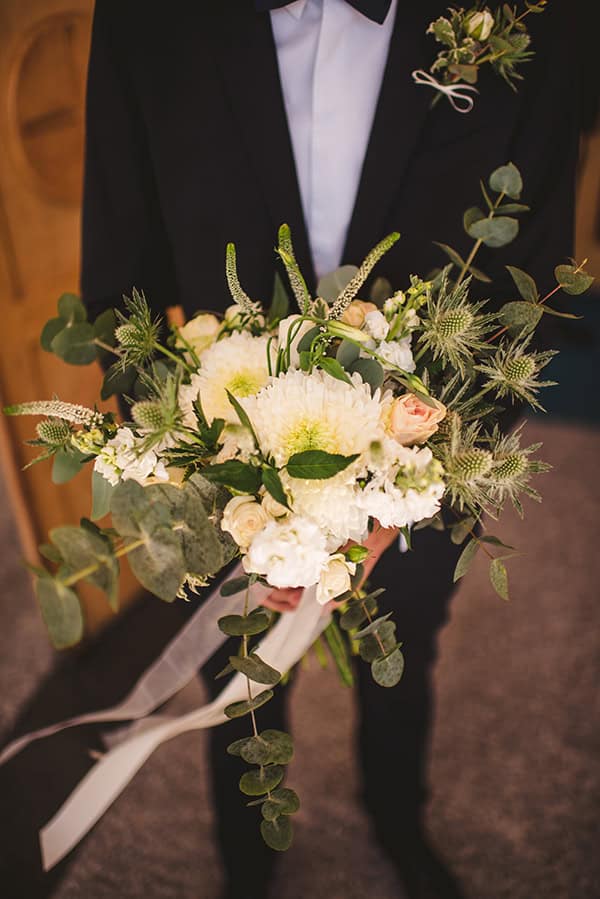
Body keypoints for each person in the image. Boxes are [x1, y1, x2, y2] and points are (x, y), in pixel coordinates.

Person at [81, 2, 584, 896]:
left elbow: (533, 271)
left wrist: (429, 482)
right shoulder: (146, 17)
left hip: (426, 444)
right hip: (220, 445)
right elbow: (118, 254)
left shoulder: (533, 18)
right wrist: (182, 466)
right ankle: (247, 851)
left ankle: (397, 814)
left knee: (408, 637)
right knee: (235, 659)